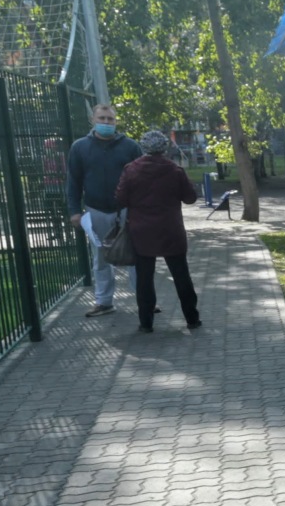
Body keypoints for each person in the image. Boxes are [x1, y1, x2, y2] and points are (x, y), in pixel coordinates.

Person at [114, 130, 202, 333]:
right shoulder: (175, 170)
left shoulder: (131, 170)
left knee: (144, 278)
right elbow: (190, 198)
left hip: (141, 231)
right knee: (181, 275)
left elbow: (120, 198)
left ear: (143, 147)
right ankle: (192, 318)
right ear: (164, 147)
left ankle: (146, 323)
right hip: (171, 230)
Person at [66, 101, 143, 317]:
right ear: (93, 120)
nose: (106, 123)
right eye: (102, 118)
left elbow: (142, 179)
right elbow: (73, 182)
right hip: (96, 210)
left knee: (136, 255)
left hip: (128, 210)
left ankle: (144, 299)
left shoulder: (130, 146)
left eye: (110, 119)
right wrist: (74, 211)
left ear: (116, 122)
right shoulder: (80, 147)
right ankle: (104, 301)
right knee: (100, 258)